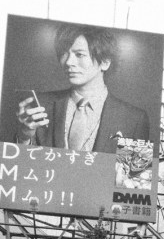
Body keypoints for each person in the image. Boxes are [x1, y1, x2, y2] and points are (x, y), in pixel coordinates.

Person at [16, 23, 150, 152]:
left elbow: (135, 173)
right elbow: (19, 167)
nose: (68, 62)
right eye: (64, 53)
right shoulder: (40, 105)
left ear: (105, 62)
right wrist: (24, 136)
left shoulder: (134, 119)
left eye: (79, 54)